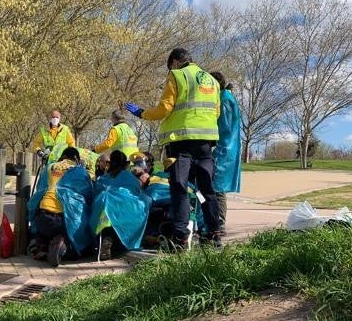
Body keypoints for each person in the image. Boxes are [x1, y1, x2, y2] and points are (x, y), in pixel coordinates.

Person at [125, 48, 222, 247]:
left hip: (181, 143)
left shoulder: (177, 76)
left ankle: (180, 236)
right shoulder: (212, 81)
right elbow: (217, 112)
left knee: (179, 188)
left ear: (176, 62)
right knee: (205, 191)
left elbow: (164, 108)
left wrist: (142, 113)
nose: (170, 69)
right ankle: (213, 233)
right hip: (205, 144)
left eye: (170, 66)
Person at [27, 147, 93, 267]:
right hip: (63, 221)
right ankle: (62, 244)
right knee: (80, 243)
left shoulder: (49, 167)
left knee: (42, 231)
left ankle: (42, 245)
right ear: (76, 158)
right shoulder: (79, 171)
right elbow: (88, 193)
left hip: (41, 217)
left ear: (62, 156)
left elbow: (40, 188)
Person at [90, 150, 151, 260]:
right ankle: (120, 242)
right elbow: (137, 192)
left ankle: (107, 239)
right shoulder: (131, 178)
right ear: (125, 164)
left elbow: (94, 193)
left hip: (104, 211)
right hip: (125, 211)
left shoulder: (103, 179)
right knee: (145, 201)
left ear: (110, 163)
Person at [209, 72, 241, 236]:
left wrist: (211, 142)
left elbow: (225, 127)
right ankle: (215, 222)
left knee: (217, 187)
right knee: (214, 187)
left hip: (223, 149)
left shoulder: (224, 99)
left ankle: (219, 224)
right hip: (224, 148)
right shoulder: (225, 97)